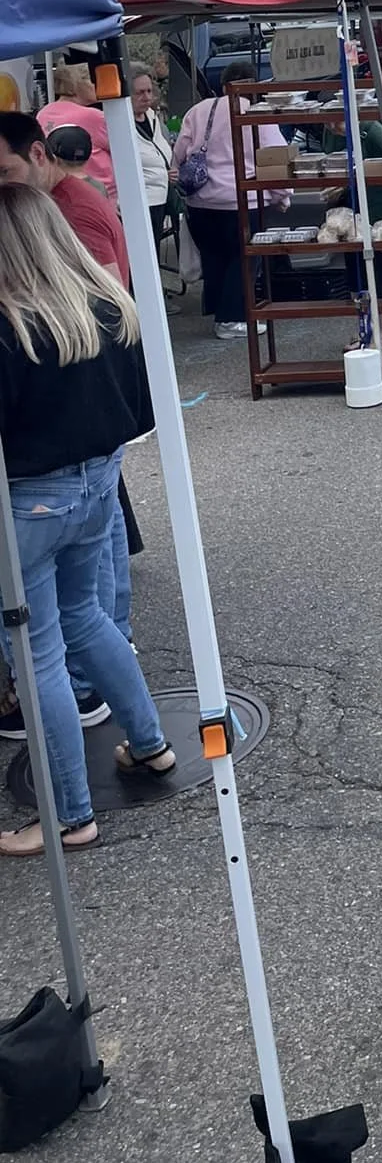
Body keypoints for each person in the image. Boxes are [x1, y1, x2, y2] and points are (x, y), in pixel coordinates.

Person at [0, 185, 174, 856]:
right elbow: (142, 410)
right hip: (98, 482)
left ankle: (70, 815)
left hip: (27, 501)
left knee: (36, 651)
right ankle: (151, 742)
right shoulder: (106, 304)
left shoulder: (10, 325)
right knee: (87, 617)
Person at [172, 63, 289, 338]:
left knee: (215, 257)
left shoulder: (199, 111)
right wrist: (282, 196)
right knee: (243, 260)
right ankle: (232, 319)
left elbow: (179, 152)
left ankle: (216, 308)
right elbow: (276, 156)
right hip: (242, 198)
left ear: (223, 84)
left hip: (200, 200)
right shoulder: (258, 113)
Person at [0, 111, 128, 283]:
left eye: (4, 172)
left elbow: (108, 298)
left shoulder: (74, 210)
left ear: (38, 154)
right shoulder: (54, 200)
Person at [38, 62, 116, 200]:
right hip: (99, 194)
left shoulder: (44, 113)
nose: (97, 85)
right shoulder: (93, 116)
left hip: (59, 191)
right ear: (76, 84)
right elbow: (124, 152)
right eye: (91, 80)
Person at [129, 60, 177, 244]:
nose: (146, 97)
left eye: (149, 91)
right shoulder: (120, 123)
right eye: (139, 93)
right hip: (141, 202)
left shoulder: (152, 116)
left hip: (161, 197)